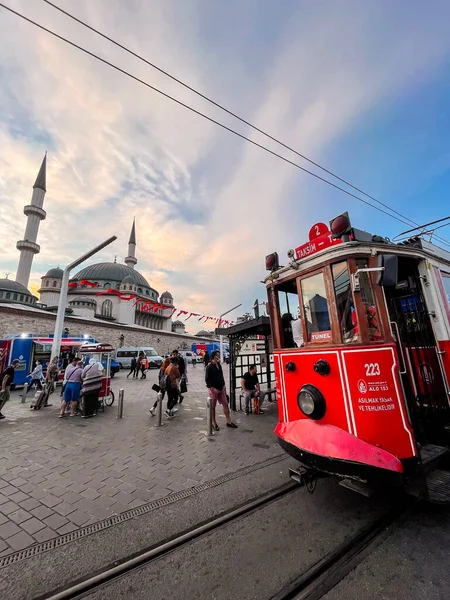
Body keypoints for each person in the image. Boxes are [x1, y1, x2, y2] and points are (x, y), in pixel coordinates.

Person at [205, 351, 237, 430]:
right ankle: (213, 422)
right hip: (214, 390)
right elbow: (207, 379)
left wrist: (224, 386)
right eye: (217, 355)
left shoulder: (219, 365)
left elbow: (221, 375)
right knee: (213, 407)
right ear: (214, 357)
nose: (218, 356)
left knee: (225, 404)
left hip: (221, 388)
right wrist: (212, 388)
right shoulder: (209, 367)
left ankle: (228, 421)